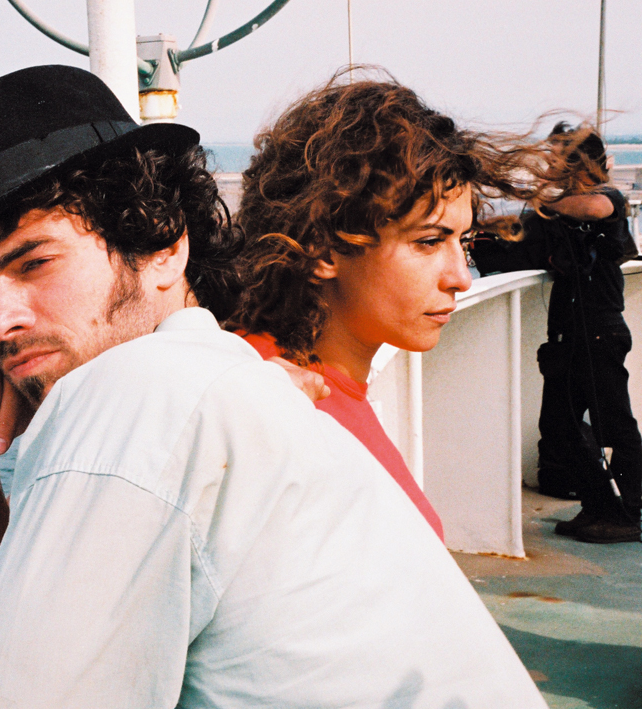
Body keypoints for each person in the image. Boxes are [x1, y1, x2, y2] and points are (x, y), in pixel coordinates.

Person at [0, 64, 548, 707]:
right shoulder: (218, 383)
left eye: (35, 263)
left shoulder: (145, 390)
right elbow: (17, 636)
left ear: (161, 245)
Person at [230, 76, 551, 542]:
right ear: (322, 249)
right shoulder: (271, 409)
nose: (461, 277)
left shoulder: (292, 384)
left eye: (462, 243)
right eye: (429, 242)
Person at [472, 123, 641, 544]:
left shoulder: (607, 198)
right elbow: (519, 245)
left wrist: (541, 201)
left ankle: (629, 514)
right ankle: (598, 506)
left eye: (553, 159)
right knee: (560, 430)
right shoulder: (559, 212)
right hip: (569, 337)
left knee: (615, 426)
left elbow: (595, 208)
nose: (546, 167)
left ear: (577, 164)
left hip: (600, 331)